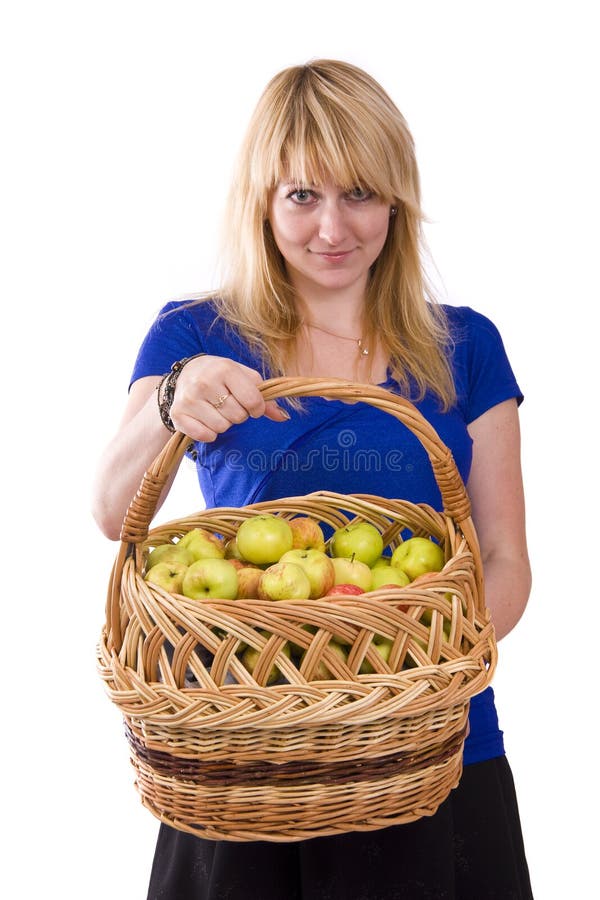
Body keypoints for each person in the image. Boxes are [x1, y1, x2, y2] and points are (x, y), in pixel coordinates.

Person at [92, 58, 533, 900]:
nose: (333, 227)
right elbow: (114, 514)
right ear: (263, 201)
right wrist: (173, 399)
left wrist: (409, 668)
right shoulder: (197, 334)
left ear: (397, 200)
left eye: (360, 193)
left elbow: (505, 559)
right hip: (245, 753)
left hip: (432, 751)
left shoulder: (466, 347)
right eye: (302, 196)